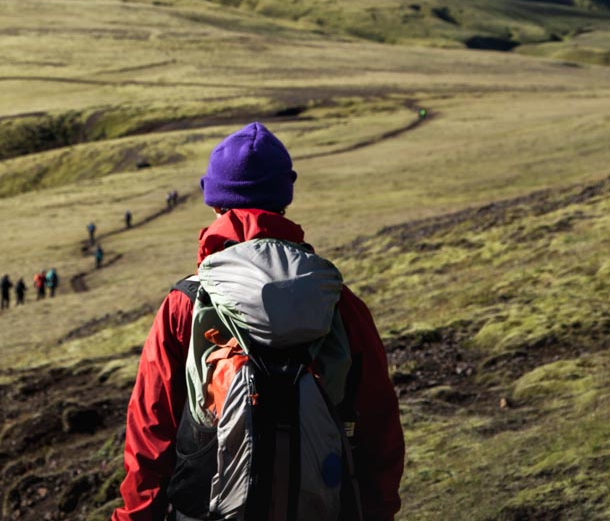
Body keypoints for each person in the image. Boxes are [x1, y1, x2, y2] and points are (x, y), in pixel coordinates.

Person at [113, 122, 404, 521]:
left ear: (215, 202)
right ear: (284, 197)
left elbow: (151, 428)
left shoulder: (187, 302)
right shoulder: (338, 301)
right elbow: (380, 427)